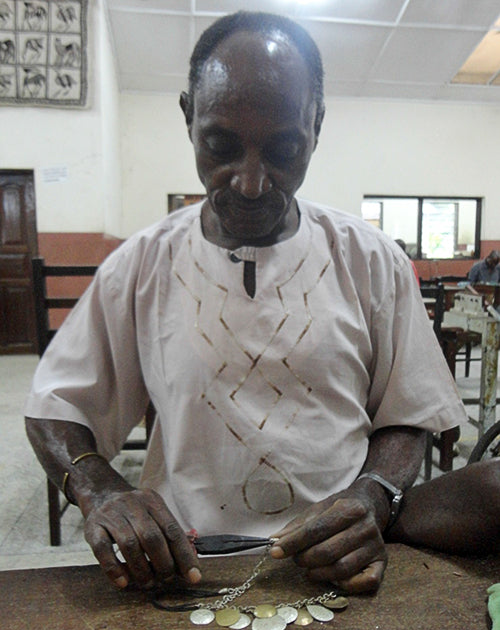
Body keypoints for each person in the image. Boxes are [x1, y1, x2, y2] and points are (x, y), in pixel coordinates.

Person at [25, 11, 489, 596]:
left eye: (283, 149)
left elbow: (408, 411)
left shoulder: (370, 259)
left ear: (316, 126)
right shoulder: (141, 265)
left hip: (340, 564)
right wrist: (100, 490)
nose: (249, 181)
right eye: (219, 144)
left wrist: (371, 496)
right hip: (188, 567)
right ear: (188, 116)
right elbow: (55, 405)